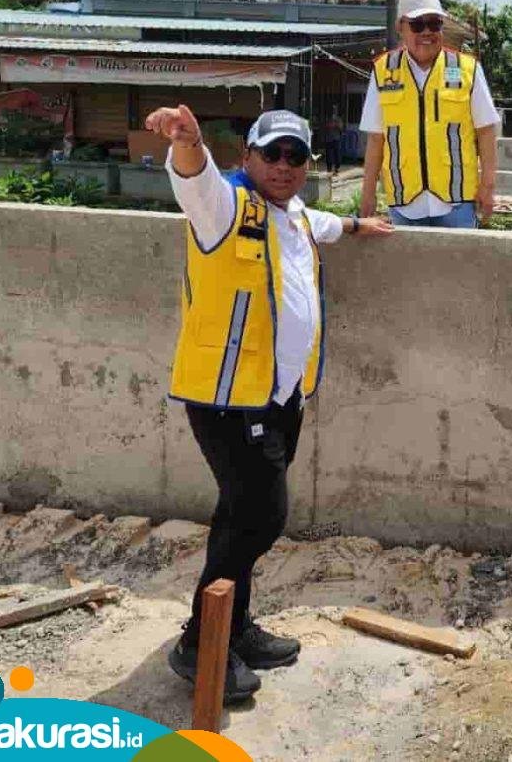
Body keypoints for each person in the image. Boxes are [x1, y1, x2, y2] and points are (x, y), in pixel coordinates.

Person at [144, 104, 392, 703]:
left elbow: (324, 224)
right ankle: (200, 643)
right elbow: (194, 181)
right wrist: (188, 144)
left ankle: (235, 627)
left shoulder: (297, 214)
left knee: (238, 517)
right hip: (228, 397)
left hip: (280, 397)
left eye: (295, 156)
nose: (283, 166)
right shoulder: (224, 207)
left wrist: (359, 226)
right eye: (271, 154)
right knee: (262, 517)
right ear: (247, 157)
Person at [359, 0, 500, 228]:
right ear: (400, 27)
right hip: (405, 203)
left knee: (459, 265)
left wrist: (487, 187)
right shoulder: (384, 72)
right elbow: (376, 139)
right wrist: (368, 193)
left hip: (457, 203)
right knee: (408, 267)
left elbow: (486, 131)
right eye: (417, 24)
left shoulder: (467, 69)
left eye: (434, 24)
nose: (426, 32)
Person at [323, 106, 344, 177]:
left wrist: (337, 125)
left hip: (336, 139)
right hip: (329, 139)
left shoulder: (338, 119)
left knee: (337, 154)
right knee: (328, 155)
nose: (334, 111)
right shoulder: (328, 119)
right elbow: (325, 127)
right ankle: (329, 169)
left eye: (335, 110)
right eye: (333, 110)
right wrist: (330, 125)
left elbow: (341, 128)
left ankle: (337, 168)